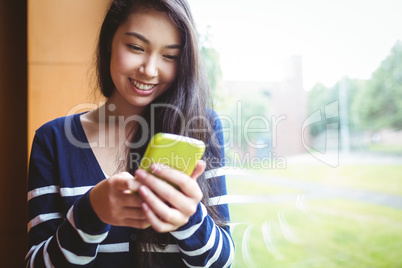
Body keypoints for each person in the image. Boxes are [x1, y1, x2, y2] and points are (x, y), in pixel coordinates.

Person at [25, 0, 234, 267]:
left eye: (169, 56)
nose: (149, 69)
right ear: (109, 42)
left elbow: (224, 263)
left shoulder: (202, 128)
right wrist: (90, 213)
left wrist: (190, 218)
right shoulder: (53, 140)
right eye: (136, 47)